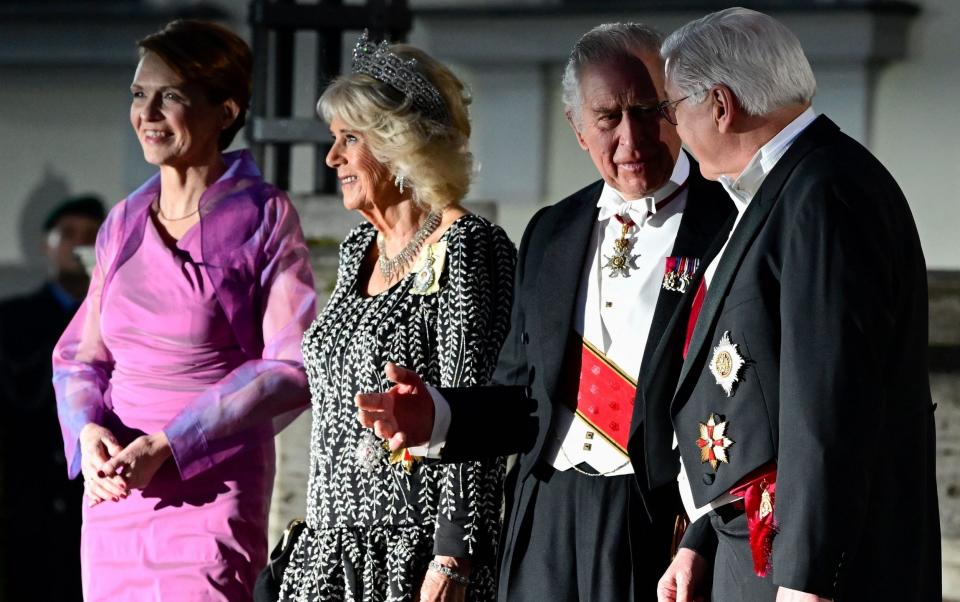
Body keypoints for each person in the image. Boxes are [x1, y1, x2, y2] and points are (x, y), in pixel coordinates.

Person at [355, 23, 734, 601]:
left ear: (678, 109)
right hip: (545, 514)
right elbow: (521, 395)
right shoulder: (552, 232)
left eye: (649, 109)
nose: (631, 138)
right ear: (579, 130)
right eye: (608, 118)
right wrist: (438, 416)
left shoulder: (729, 221)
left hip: (658, 520)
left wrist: (706, 533)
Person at [646, 8, 940, 602]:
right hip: (758, 547)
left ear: (721, 105)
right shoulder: (788, 187)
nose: (671, 128)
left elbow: (826, 403)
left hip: (805, 568)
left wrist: (805, 580)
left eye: (673, 107)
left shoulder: (822, 194)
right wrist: (701, 536)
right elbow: (761, 404)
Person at [52, 20, 316, 601]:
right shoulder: (121, 222)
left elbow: (293, 366)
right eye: (138, 94)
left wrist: (172, 443)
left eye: (169, 95)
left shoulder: (263, 217)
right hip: (115, 492)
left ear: (224, 111)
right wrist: (88, 429)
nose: (147, 112)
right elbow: (80, 357)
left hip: (210, 490)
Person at [275, 32, 515, 602]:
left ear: (399, 143)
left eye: (348, 139)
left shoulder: (468, 245)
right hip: (330, 553)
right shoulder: (362, 246)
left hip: (414, 557)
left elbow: (475, 408)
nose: (332, 158)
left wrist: (454, 557)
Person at [0, 195, 105, 602]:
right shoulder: (12, 319)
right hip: (28, 495)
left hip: (96, 491)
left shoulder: (120, 318)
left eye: (91, 236)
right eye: (69, 234)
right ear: (48, 244)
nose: (79, 246)